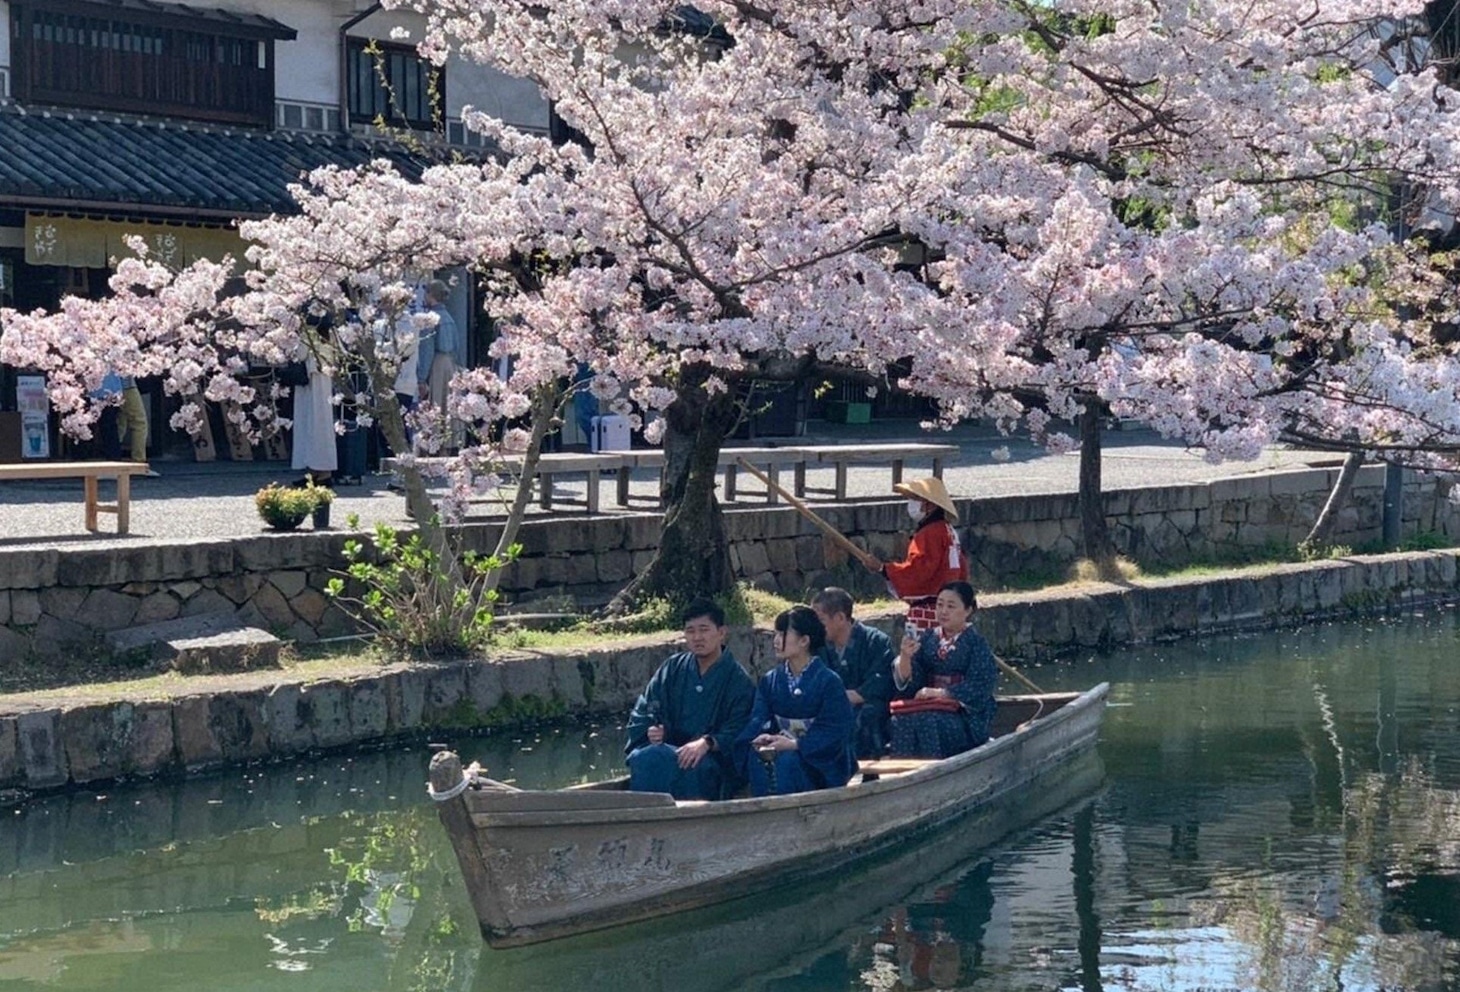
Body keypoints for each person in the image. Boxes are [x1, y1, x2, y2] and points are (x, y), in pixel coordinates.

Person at [624, 600, 756, 800]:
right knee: (647, 756)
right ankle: (643, 819)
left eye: (704, 630)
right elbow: (646, 708)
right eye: (690, 631)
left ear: (721, 632)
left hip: (710, 758)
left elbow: (741, 727)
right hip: (669, 749)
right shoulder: (672, 668)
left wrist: (708, 742)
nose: (697, 638)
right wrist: (655, 730)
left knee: (692, 765)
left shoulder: (738, 680)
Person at [734, 606, 857, 796]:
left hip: (818, 765)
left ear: (804, 640)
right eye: (775, 634)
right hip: (782, 751)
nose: (776, 640)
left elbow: (835, 730)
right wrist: (763, 735)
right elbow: (759, 717)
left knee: (788, 760)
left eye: (783, 634)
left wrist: (797, 744)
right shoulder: (770, 680)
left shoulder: (829, 681)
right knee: (757, 754)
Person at [889, 581, 998, 759]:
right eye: (939, 605)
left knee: (929, 721)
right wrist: (906, 657)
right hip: (930, 705)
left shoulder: (976, 643)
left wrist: (942, 693)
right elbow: (913, 683)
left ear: (968, 610)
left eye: (951, 606)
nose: (943, 611)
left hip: (964, 715)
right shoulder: (928, 638)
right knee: (900, 720)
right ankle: (901, 776)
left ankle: (934, 773)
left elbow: (980, 687)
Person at [863, 476, 967, 631]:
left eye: (916, 498)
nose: (911, 503)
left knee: (917, 653)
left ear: (929, 504)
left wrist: (883, 568)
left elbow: (918, 570)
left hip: (929, 612)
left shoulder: (930, 534)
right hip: (949, 609)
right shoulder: (948, 531)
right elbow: (962, 569)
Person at [811, 586, 894, 759]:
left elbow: (882, 680)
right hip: (830, 706)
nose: (816, 628)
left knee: (868, 715)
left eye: (821, 620)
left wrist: (851, 696)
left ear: (841, 617)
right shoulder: (818, 646)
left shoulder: (876, 641)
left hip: (867, 708)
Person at [416, 279, 462, 448]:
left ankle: (436, 445)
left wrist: (421, 378)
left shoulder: (430, 319)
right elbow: (457, 345)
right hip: (450, 363)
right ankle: (450, 443)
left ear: (430, 295)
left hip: (437, 364)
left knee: (436, 404)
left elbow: (427, 349)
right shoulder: (449, 317)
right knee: (448, 405)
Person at [290, 349, 337, 485]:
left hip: (311, 376)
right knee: (318, 423)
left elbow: (300, 354)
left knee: (310, 423)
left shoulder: (308, 333)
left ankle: (320, 471)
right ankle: (316, 470)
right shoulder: (330, 334)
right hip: (322, 374)